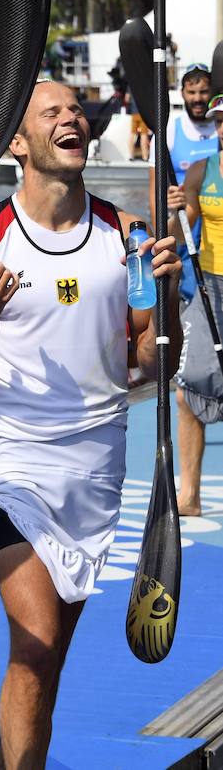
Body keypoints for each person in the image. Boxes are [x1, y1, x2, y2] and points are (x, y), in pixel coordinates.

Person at [0, 81, 183, 770]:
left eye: (77, 111)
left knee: (48, 665)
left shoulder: (127, 235)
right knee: (33, 645)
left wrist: (166, 304)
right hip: (17, 463)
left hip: (96, 467)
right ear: (17, 143)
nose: (72, 118)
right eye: (53, 112)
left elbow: (148, 362)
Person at [168, 93, 223, 516]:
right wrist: (172, 211)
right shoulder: (204, 170)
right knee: (188, 394)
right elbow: (180, 223)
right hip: (208, 290)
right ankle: (190, 496)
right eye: (219, 122)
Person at [148, 63, 217, 303]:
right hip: (182, 229)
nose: (198, 99)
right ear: (182, 93)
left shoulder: (220, 127)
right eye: (192, 92)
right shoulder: (168, 130)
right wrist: (161, 233)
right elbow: (155, 195)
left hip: (214, 233)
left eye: (203, 92)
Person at [128, 93, 150, 162]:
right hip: (143, 113)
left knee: (133, 134)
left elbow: (127, 98)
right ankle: (145, 157)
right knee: (144, 135)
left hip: (134, 113)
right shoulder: (144, 87)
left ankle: (131, 156)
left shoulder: (130, 86)